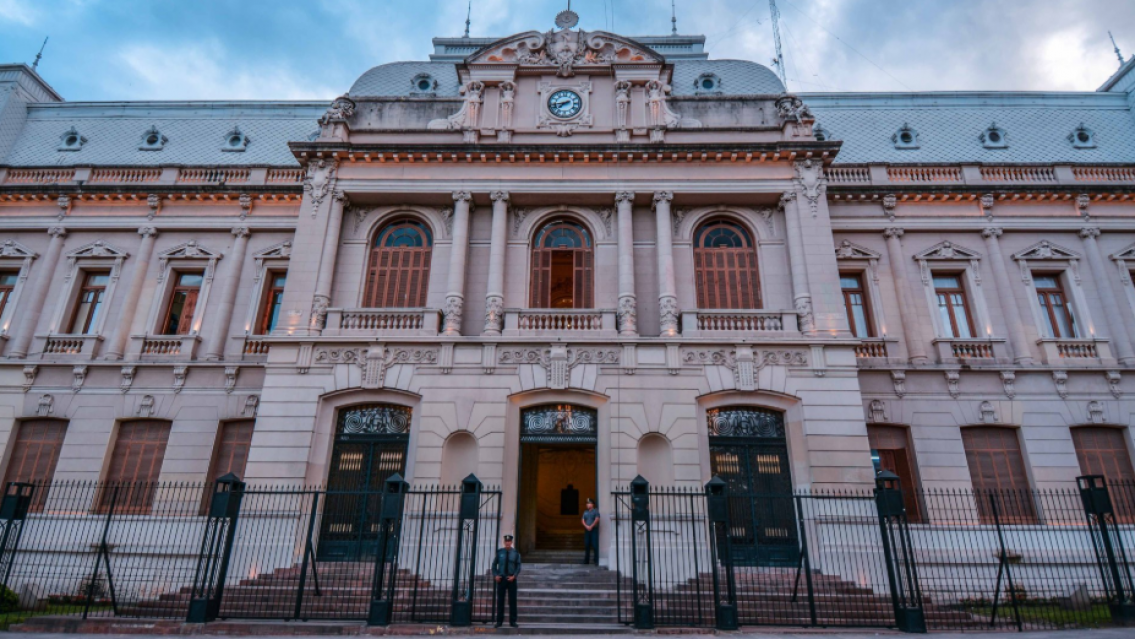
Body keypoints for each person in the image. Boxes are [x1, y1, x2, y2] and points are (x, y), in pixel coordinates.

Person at [491, 534, 521, 628]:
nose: (507, 543)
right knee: (500, 601)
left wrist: (514, 576)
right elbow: (494, 565)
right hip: (501, 579)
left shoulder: (515, 553)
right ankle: (499, 621)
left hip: (511, 579)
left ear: (511, 542)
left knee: (512, 601)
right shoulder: (500, 552)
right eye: (506, 541)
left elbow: (518, 566)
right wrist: (495, 575)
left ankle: (513, 621)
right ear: (504, 542)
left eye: (509, 541)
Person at [581, 497, 600, 565]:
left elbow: (597, 519)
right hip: (587, 530)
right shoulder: (585, 512)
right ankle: (586, 560)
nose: (587, 504)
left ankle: (596, 560)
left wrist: (591, 526)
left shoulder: (595, 511)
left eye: (589, 503)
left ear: (592, 504)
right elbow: (583, 520)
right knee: (587, 545)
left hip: (593, 530)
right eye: (587, 503)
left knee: (595, 545)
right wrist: (586, 526)